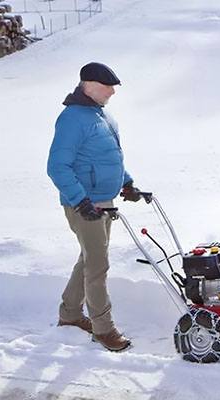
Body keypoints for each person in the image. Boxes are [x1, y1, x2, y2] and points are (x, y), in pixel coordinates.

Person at [47, 62, 144, 352]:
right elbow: (57, 167)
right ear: (88, 85)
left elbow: (108, 158)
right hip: (84, 203)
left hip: (103, 202)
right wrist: (80, 201)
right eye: (107, 86)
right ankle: (103, 329)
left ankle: (70, 314)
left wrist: (126, 183)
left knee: (89, 259)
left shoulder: (102, 116)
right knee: (98, 265)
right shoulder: (72, 119)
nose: (113, 92)